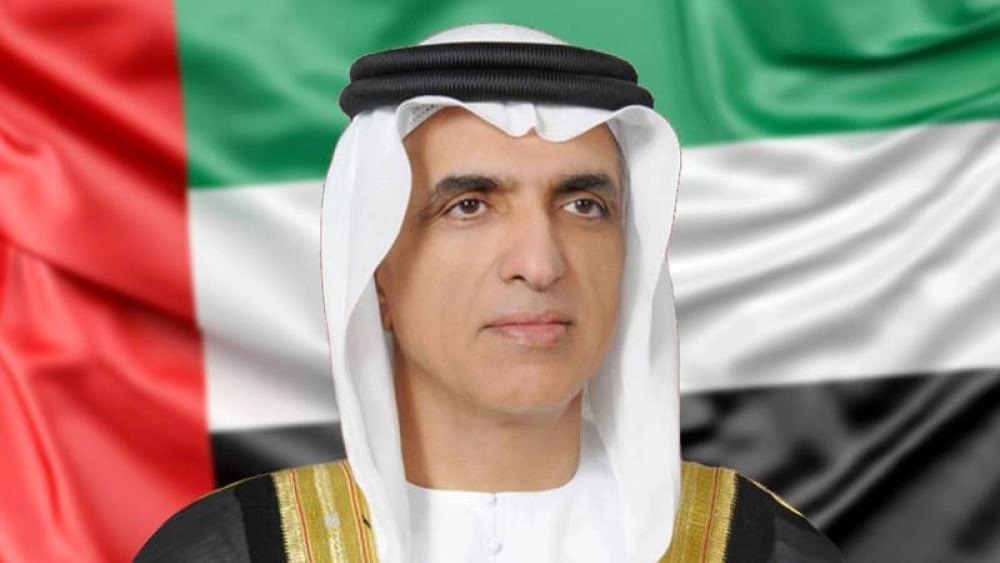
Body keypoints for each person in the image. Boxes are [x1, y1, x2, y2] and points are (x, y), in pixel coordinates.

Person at [136, 23, 841, 562]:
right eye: (468, 206)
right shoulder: (232, 550)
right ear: (376, 271)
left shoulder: (758, 547)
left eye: (584, 206)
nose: (540, 264)